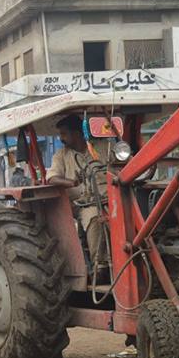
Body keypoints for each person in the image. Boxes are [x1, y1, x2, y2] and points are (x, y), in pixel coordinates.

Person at [48, 114, 107, 274]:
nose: (61, 138)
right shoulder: (61, 155)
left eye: (64, 134)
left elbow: (122, 165)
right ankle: (99, 266)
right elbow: (52, 178)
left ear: (77, 133)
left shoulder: (101, 148)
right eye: (60, 134)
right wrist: (71, 183)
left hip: (110, 198)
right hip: (81, 204)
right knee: (94, 216)